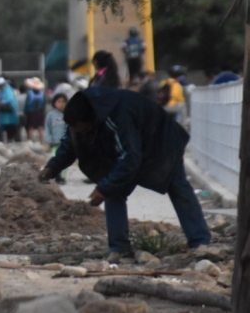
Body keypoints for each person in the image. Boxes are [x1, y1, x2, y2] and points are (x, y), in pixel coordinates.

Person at [40, 88, 211, 262]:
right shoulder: (81, 117)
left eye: (83, 129)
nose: (82, 133)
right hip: (131, 148)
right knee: (114, 191)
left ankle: (200, 242)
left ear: (91, 120)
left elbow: (130, 157)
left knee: (177, 186)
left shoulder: (118, 116)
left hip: (160, 142)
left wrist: (104, 187)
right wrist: (52, 168)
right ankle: (119, 248)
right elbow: (71, 144)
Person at [44, 93, 68, 184]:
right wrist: (49, 140)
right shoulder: (50, 115)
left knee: (65, 160)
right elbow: (47, 128)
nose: (61, 104)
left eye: (63, 102)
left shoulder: (67, 114)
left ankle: (62, 177)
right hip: (55, 142)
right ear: (54, 103)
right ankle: (57, 175)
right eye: (59, 101)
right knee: (55, 158)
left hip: (65, 142)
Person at [0, 77, 20, 143]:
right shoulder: (2, 90)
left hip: (9, 110)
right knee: (2, 125)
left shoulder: (8, 89)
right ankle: (2, 138)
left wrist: (2, 102)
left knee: (9, 126)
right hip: (4, 111)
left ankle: (9, 139)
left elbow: (10, 99)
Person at [24, 77, 46, 142]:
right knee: (40, 127)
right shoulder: (42, 93)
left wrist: (25, 112)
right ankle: (41, 140)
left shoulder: (29, 93)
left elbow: (27, 104)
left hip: (31, 112)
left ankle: (29, 140)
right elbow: (44, 103)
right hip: (40, 112)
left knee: (31, 127)